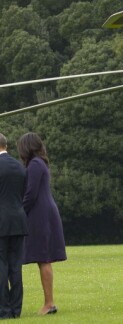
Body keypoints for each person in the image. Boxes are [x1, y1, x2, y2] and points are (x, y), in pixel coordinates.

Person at [17, 133, 66, 316]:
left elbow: (31, 194)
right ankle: (49, 302)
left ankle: (49, 303)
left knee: (43, 258)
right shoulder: (40, 163)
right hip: (43, 212)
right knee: (42, 258)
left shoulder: (36, 165)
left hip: (40, 215)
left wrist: (20, 213)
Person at [0, 133, 28, 320]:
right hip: (18, 221)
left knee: (1, 266)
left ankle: (4, 309)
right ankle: (16, 310)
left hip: (1, 222)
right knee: (16, 267)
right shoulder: (19, 166)